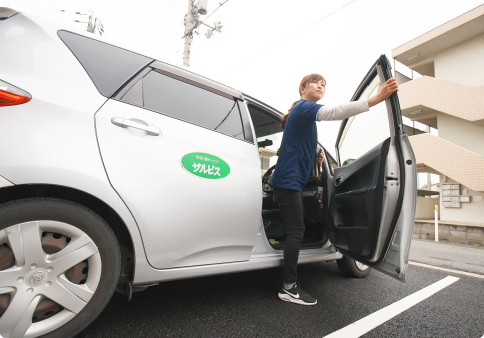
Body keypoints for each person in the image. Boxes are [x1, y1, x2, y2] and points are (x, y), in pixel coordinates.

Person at [272, 73, 398, 305]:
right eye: (316, 82)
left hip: (290, 181)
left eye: (324, 84)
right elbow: (335, 111)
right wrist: (375, 99)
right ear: (302, 88)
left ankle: (288, 284)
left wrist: (317, 159)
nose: (321, 85)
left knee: (296, 229)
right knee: (297, 230)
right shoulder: (303, 108)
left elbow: (300, 149)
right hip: (288, 182)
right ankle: (288, 287)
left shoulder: (304, 119)